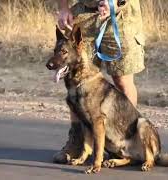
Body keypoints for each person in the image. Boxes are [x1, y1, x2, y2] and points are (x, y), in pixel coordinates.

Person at [53, 0, 145, 164]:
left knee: (123, 80)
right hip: (85, 12)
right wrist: (64, 8)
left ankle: (125, 144)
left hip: (120, 13)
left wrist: (116, 2)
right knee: (77, 78)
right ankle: (77, 142)